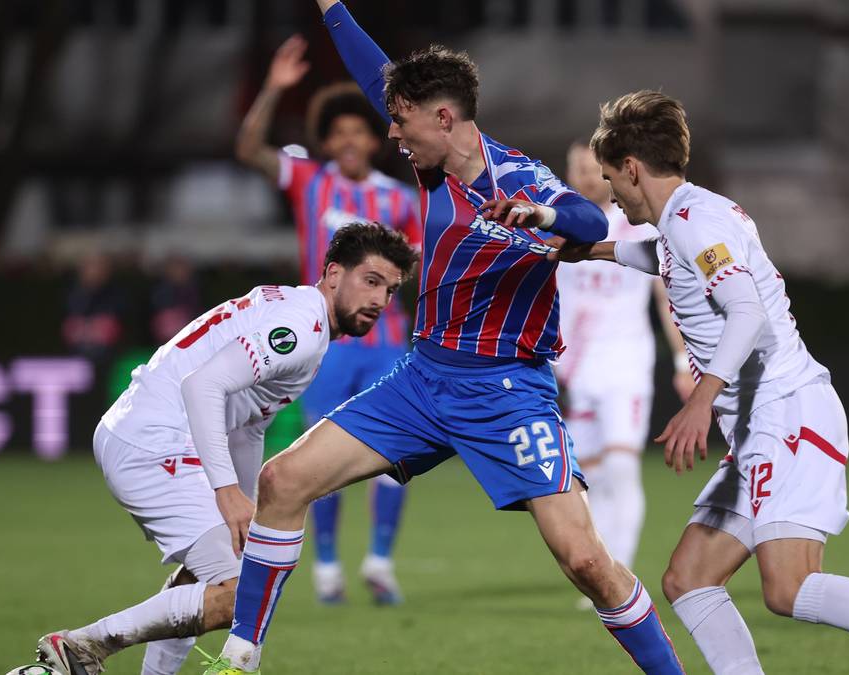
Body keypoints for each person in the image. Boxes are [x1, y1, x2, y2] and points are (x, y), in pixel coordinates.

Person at [198, 3, 686, 674]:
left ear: (443, 118)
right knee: (282, 481)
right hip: (422, 380)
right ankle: (239, 659)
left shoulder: (517, 177)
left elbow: (576, 215)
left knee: (585, 560)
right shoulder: (432, 169)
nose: (392, 132)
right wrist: (333, 8)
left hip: (507, 392)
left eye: (401, 121)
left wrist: (541, 213)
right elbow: (380, 79)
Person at [552, 89, 849, 675]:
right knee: (687, 579)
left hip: (787, 413)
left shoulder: (694, 224)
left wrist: (701, 401)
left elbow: (747, 312)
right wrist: (591, 250)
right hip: (761, 424)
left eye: (612, 177)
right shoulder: (688, 217)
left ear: (633, 169)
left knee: (788, 588)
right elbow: (665, 259)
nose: (609, 190)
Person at [35, 223, 418, 675]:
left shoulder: (298, 315)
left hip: (144, 431)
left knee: (223, 565)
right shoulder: (300, 327)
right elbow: (204, 387)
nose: (379, 300)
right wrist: (225, 491)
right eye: (371, 281)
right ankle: (82, 646)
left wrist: (247, 507)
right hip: (154, 440)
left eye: (390, 291)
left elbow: (248, 424)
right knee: (243, 591)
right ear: (334, 274)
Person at [236, 34, 423, 606]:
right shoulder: (310, 181)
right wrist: (273, 88)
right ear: (327, 140)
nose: (347, 139)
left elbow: (417, 267)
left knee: (394, 455)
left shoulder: (401, 200)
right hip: (327, 347)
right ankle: (325, 569)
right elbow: (249, 149)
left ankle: (381, 562)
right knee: (323, 458)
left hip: (388, 345)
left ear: (373, 139)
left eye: (357, 130)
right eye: (337, 132)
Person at [555, 141, 695, 580]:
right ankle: (602, 567)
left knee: (621, 465)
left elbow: (666, 299)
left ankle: (621, 572)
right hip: (576, 371)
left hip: (626, 366)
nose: (582, 176)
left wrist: (681, 360)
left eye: (590, 168)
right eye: (574, 168)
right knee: (588, 480)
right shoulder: (559, 230)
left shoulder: (636, 228)